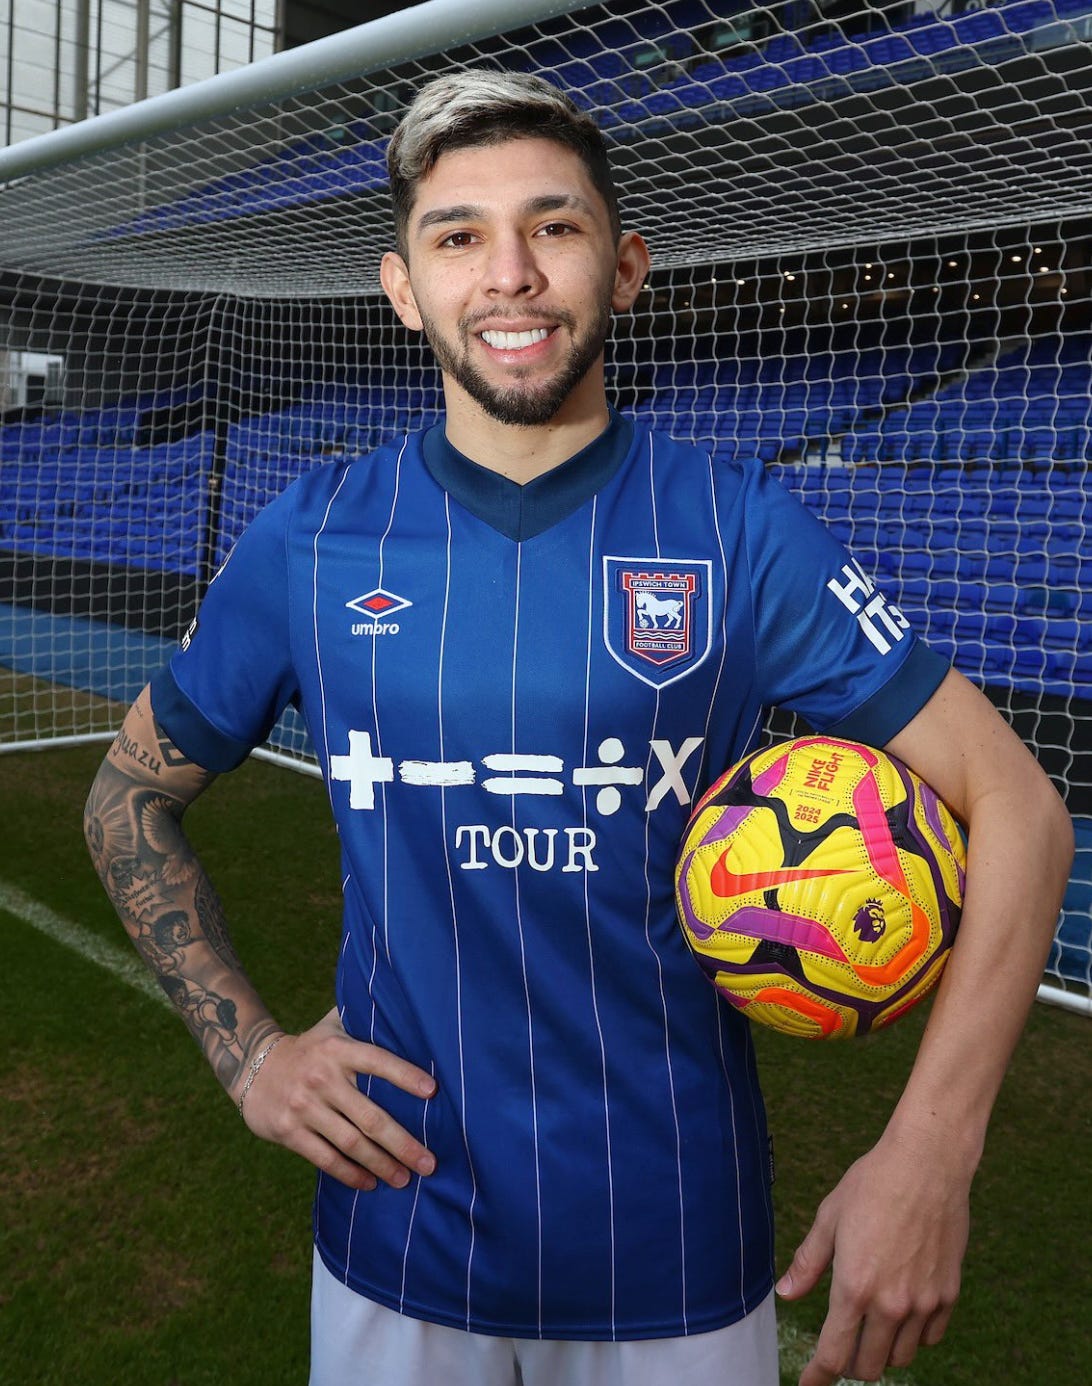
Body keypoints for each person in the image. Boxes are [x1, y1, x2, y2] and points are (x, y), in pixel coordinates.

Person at [84, 70, 1073, 1386]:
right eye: (459, 236)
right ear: (403, 289)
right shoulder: (309, 540)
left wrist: (933, 1149)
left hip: (673, 1248)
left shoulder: (738, 531)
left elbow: (1020, 807)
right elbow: (125, 799)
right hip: (395, 1233)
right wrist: (250, 1052)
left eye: (553, 226)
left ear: (627, 266)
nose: (510, 273)